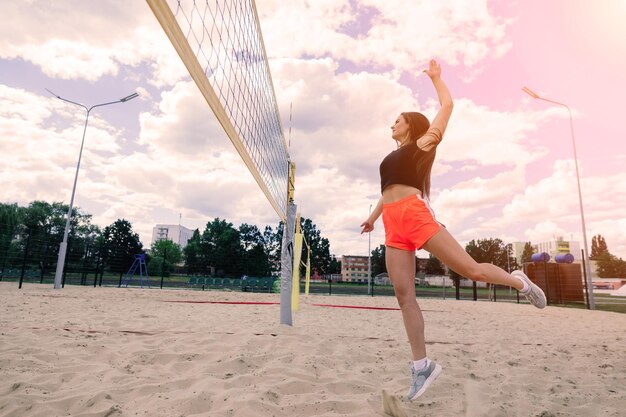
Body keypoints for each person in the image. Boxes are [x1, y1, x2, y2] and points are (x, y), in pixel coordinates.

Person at [360, 59, 546, 401]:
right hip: (392, 223)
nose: (393, 123)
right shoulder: (391, 156)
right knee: (404, 297)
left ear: (411, 126)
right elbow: (386, 192)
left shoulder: (423, 145)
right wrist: (373, 217)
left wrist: (436, 79)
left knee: (471, 270)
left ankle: (520, 282)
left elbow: (447, 106)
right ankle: (421, 367)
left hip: (416, 216)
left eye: (398, 120)